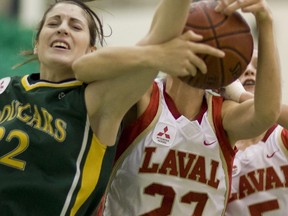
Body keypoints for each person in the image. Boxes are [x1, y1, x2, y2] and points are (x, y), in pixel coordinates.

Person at [0, 0, 226, 215]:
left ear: (90, 51)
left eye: (75, 26)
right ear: (37, 44)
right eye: (53, 23)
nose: (62, 29)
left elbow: (159, 39)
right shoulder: (5, 88)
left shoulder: (98, 101)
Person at [86, 0, 282, 215]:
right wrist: (152, 53)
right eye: (190, 37)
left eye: (204, 41)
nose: (196, 46)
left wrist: (266, 22)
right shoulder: (143, 98)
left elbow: (267, 114)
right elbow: (89, 71)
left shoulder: (222, 116)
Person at [224, 49, 288, 215]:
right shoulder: (213, 144)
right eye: (239, 67)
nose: (250, 70)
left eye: (258, 65)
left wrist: (242, 96)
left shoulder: (282, 137)